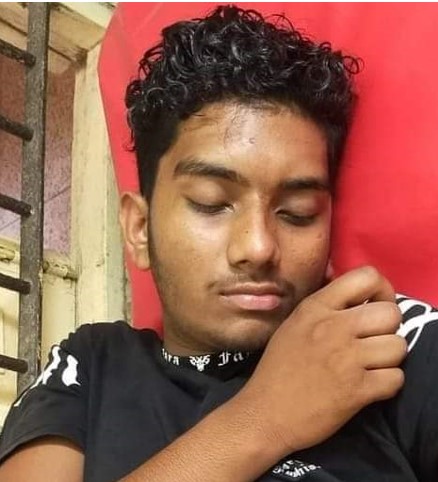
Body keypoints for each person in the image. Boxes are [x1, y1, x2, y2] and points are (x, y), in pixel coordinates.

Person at [0, 5, 437, 482]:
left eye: (298, 212)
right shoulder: (91, 366)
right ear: (139, 228)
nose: (258, 247)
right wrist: (264, 416)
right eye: (211, 203)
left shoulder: (379, 336)